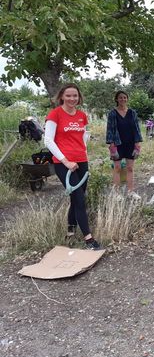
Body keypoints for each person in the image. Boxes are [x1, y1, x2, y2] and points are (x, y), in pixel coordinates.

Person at [44, 83, 102, 250]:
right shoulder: (55, 114)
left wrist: (83, 152)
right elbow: (48, 141)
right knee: (79, 199)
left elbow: (83, 135)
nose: (72, 99)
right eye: (68, 95)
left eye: (75, 96)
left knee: (76, 197)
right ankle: (89, 239)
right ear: (62, 96)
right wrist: (65, 161)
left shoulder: (82, 116)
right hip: (64, 163)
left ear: (79, 97)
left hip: (81, 161)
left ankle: (70, 231)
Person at [106, 91, 143, 196]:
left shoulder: (132, 113)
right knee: (117, 167)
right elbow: (110, 129)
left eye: (125, 97)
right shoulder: (112, 113)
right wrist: (111, 145)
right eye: (120, 98)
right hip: (117, 144)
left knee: (130, 168)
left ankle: (131, 191)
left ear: (127, 99)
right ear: (117, 99)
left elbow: (136, 128)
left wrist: (137, 144)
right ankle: (117, 193)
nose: (123, 99)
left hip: (131, 143)